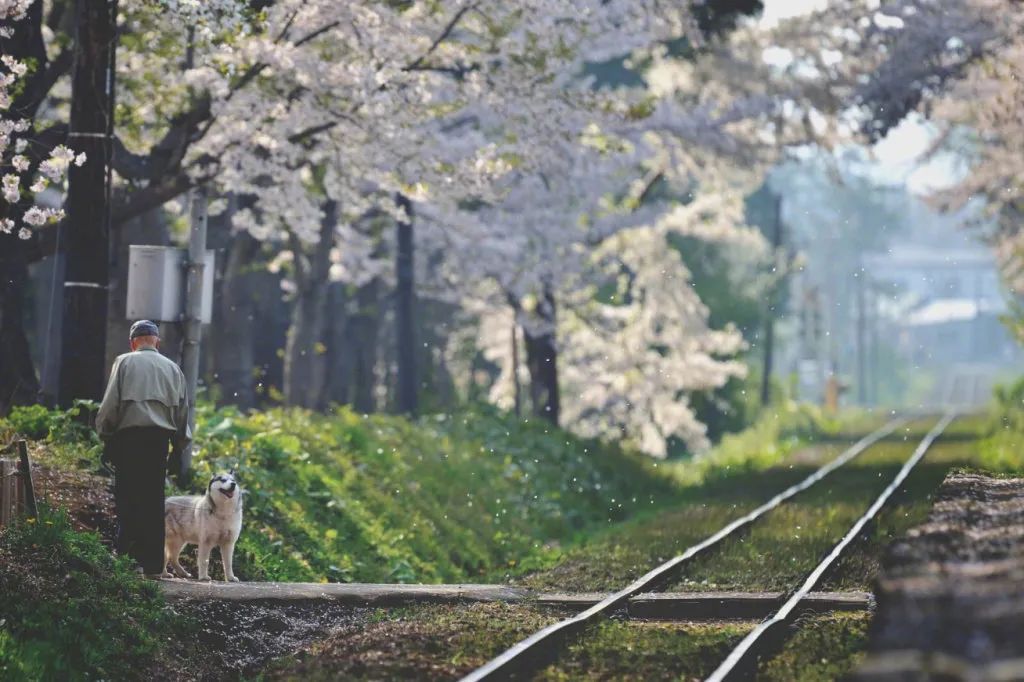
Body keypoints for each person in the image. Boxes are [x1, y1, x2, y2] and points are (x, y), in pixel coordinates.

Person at [95, 320, 191, 578]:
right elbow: (183, 414)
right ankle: (153, 567)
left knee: (128, 499)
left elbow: (110, 406)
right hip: (158, 443)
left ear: (133, 342)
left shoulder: (124, 362)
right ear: (156, 342)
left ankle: (127, 562)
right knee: (152, 501)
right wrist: (179, 449)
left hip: (129, 440)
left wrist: (105, 436)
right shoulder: (173, 369)